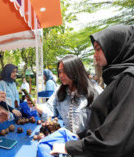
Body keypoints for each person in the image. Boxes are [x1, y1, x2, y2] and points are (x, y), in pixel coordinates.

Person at [51, 25, 134, 157]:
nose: (95, 55)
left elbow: (114, 138)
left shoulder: (129, 80)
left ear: (115, 47)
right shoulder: (118, 79)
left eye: (98, 49)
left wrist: (70, 147)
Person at [35, 55, 102, 136]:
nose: (61, 75)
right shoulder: (60, 91)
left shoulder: (94, 91)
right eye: (59, 72)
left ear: (75, 70)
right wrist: (37, 107)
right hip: (69, 142)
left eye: (65, 71)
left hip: (89, 142)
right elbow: (50, 108)